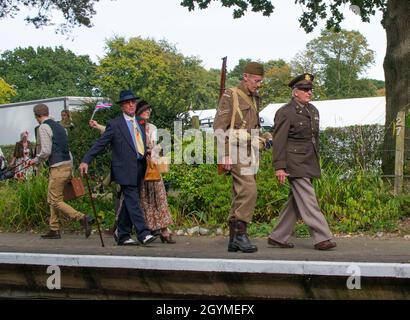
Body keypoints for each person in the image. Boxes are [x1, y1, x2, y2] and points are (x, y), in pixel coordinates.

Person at [267, 73, 337, 251]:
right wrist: (280, 167)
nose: (309, 92)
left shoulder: (312, 110)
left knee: (296, 201)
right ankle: (322, 237)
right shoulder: (285, 112)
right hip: (294, 163)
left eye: (310, 89)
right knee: (308, 199)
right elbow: (279, 141)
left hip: (309, 160)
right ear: (294, 92)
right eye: (305, 89)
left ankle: (277, 236)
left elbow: (314, 139)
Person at [79, 90, 158, 246]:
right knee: (133, 198)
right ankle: (143, 233)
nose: (131, 105)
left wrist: (147, 152)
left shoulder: (140, 122)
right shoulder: (115, 124)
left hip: (140, 166)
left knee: (130, 201)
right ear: (122, 106)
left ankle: (122, 234)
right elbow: (100, 144)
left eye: (133, 102)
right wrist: (86, 160)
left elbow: (138, 144)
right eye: (127, 103)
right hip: (123, 168)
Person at [213, 62, 265, 253]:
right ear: (246, 76)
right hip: (233, 149)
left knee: (240, 193)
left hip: (249, 149)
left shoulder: (255, 97)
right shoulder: (231, 94)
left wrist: (264, 138)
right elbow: (219, 127)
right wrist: (224, 155)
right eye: (256, 81)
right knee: (249, 190)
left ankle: (234, 239)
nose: (259, 84)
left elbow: (253, 126)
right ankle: (241, 234)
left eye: (260, 81)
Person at [28, 103, 92, 239]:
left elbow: (45, 151)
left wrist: (35, 160)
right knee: (53, 197)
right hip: (67, 165)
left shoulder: (43, 127)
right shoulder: (60, 127)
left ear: (36, 116)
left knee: (54, 200)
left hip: (57, 167)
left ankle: (82, 218)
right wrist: (71, 171)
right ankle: (54, 229)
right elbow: (67, 151)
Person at [136, 100, 175, 243]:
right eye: (145, 109)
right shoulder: (133, 125)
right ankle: (149, 229)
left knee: (159, 197)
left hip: (152, 166)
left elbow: (153, 146)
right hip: (139, 167)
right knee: (142, 199)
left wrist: (155, 149)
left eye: (149, 109)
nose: (148, 112)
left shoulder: (152, 127)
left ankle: (164, 230)